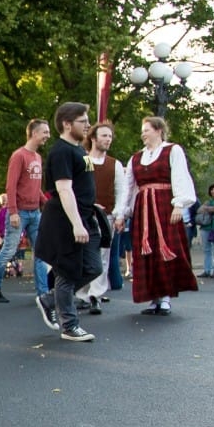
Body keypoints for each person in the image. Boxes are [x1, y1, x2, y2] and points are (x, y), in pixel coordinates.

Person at [34, 102, 103, 342]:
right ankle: (69, 325)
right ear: (67, 123)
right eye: (82, 121)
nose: (87, 125)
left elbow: (81, 185)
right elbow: (64, 189)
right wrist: (76, 223)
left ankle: (49, 299)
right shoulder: (61, 150)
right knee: (68, 272)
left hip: (85, 215)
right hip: (66, 220)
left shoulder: (79, 150)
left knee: (94, 267)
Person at [114, 116, 197, 315]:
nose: (143, 133)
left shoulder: (172, 150)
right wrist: (121, 213)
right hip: (144, 210)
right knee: (145, 251)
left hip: (164, 207)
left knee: (165, 248)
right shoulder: (136, 158)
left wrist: (179, 205)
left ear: (158, 130)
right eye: (142, 130)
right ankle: (153, 298)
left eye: (146, 130)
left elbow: (180, 176)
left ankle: (166, 297)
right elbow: (128, 188)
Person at [0, 119, 49, 303]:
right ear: (33, 133)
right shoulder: (19, 156)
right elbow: (12, 185)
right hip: (20, 212)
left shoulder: (38, 157)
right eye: (44, 132)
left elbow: (33, 184)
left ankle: (43, 293)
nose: (48, 135)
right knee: (8, 250)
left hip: (35, 212)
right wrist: (13, 211)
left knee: (41, 252)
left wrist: (44, 201)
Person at [77, 121, 126, 314]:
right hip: (84, 215)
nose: (108, 139)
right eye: (104, 135)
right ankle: (82, 294)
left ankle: (95, 295)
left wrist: (119, 214)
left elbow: (121, 192)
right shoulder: (83, 160)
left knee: (102, 257)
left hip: (106, 216)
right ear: (94, 138)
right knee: (82, 255)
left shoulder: (114, 164)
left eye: (110, 136)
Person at [197, 183, 214, 277]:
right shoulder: (208, 201)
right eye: (212, 189)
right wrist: (210, 208)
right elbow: (199, 210)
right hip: (205, 227)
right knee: (206, 249)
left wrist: (207, 208)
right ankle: (207, 270)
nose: (213, 191)